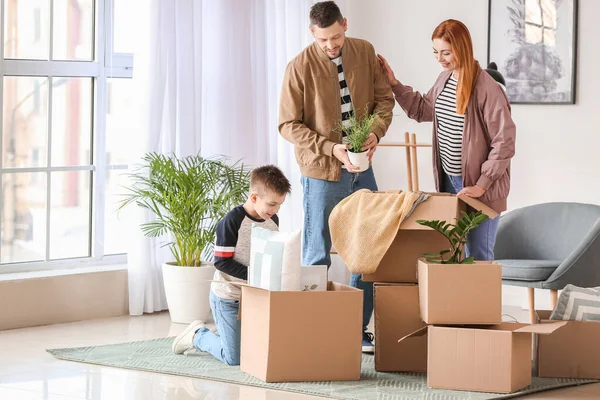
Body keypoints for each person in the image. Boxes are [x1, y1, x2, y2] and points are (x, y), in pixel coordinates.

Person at [278, 1, 394, 353]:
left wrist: (375, 132)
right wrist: (331, 149)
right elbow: (287, 125)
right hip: (321, 172)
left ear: (345, 24)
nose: (332, 45)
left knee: (369, 251)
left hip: (363, 169)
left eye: (337, 36)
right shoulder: (298, 67)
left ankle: (356, 330)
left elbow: (383, 101)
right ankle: (319, 331)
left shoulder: (365, 51)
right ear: (312, 33)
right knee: (317, 254)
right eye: (324, 39)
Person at [377, 19, 516, 261]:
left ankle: (480, 300)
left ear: (462, 48)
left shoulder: (486, 87)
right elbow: (422, 110)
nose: (440, 58)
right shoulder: (445, 79)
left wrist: (482, 184)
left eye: (446, 52)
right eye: (436, 52)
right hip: (451, 182)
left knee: (480, 255)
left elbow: (504, 142)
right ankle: (459, 300)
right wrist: (394, 84)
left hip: (480, 186)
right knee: (456, 255)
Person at [171, 165, 292, 365]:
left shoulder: (272, 220)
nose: (275, 210)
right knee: (234, 358)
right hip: (228, 297)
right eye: (272, 204)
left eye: (279, 205)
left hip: (255, 297)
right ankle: (197, 334)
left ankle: (226, 331)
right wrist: (256, 275)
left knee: (261, 350)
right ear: (254, 198)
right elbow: (221, 262)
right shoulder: (232, 221)